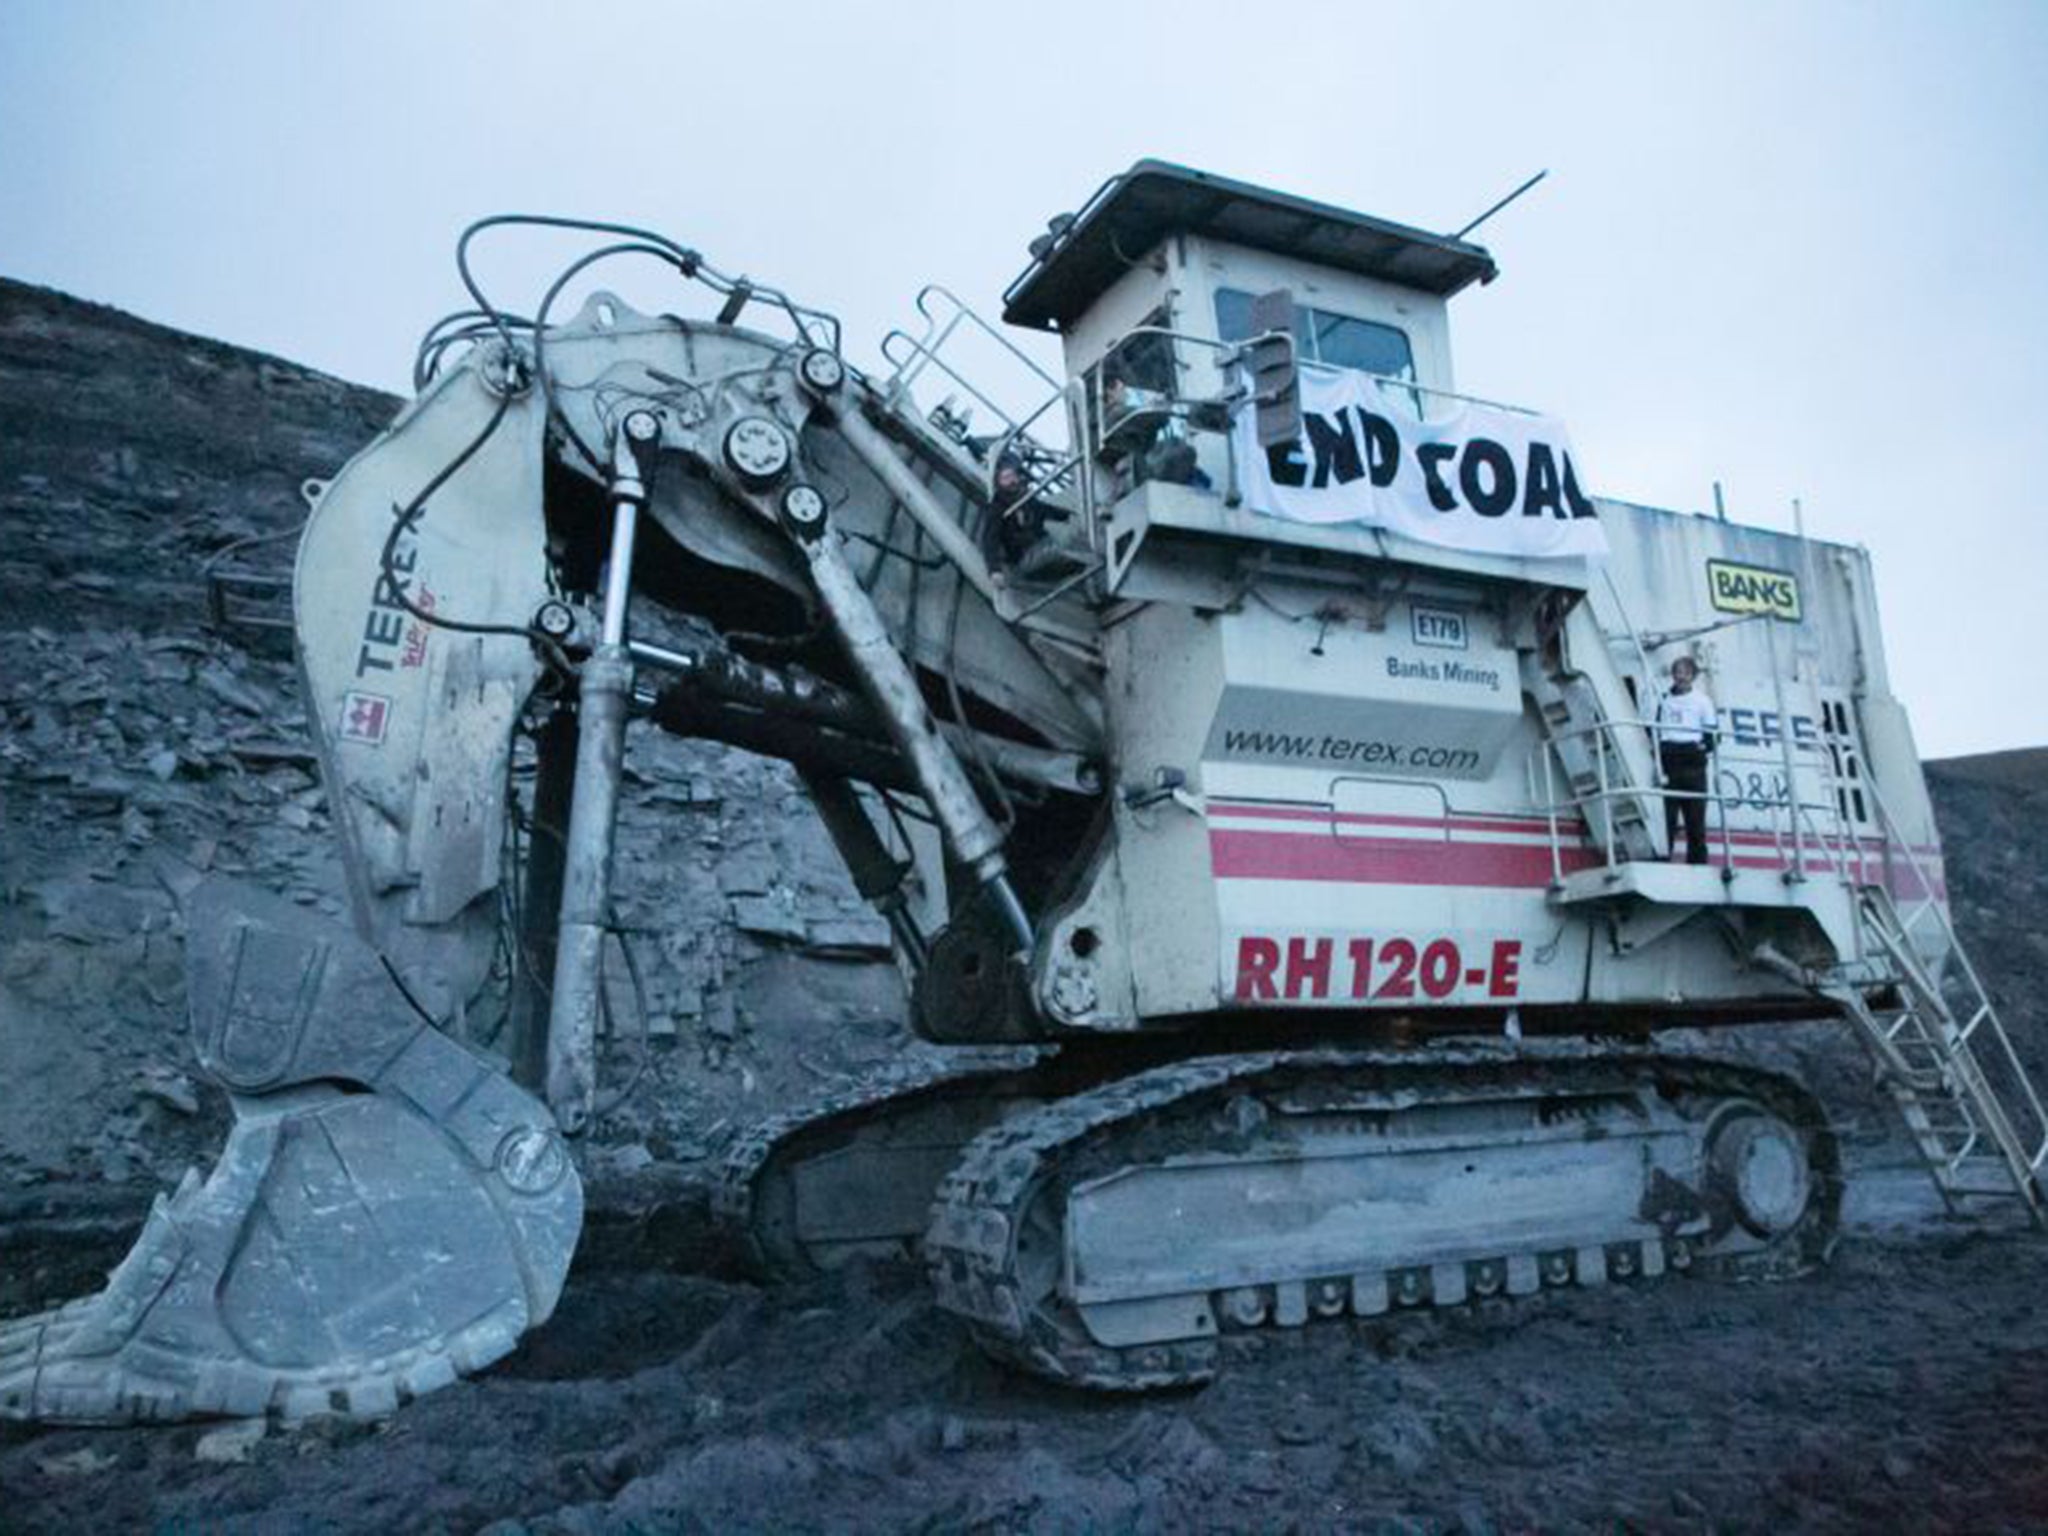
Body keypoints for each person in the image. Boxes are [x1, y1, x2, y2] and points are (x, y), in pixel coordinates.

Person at [1655, 656, 1718, 864]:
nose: (1681, 677)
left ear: (1693, 676)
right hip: (1669, 760)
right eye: (1678, 672)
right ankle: (1663, 860)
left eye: (1686, 673)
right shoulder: (1663, 700)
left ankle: (1698, 862)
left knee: (1695, 820)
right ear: (1673, 675)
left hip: (1692, 763)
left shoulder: (1702, 701)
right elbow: (1654, 729)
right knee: (1667, 819)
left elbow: (1713, 735)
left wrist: (1701, 749)